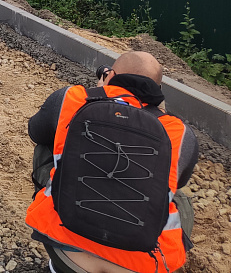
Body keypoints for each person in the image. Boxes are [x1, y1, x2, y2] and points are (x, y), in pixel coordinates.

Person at [26, 51, 198, 273]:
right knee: (178, 196)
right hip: (142, 265)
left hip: (67, 254)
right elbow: (178, 180)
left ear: (110, 75)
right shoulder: (180, 132)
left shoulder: (72, 98)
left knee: (48, 146)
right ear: (159, 91)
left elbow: (36, 132)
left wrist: (100, 94)